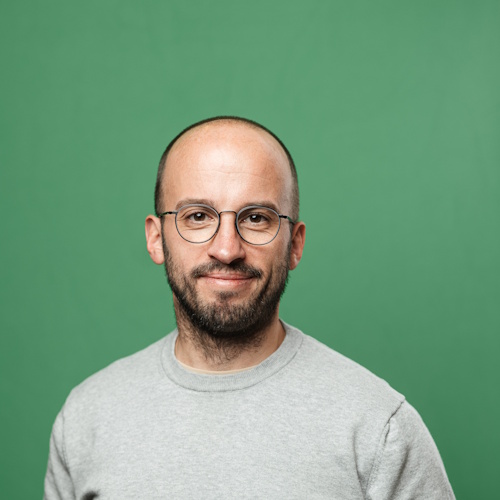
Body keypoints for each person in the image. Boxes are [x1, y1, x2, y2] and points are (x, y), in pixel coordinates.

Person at [44, 116, 455, 499]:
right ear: (156, 238)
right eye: (198, 216)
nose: (227, 249)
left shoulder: (379, 428)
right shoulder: (86, 418)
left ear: (294, 244)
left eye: (256, 218)